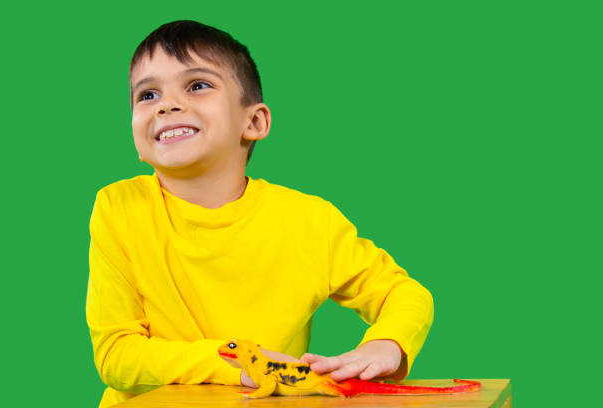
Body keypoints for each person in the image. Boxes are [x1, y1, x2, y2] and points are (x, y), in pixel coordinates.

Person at [86, 19, 434, 408]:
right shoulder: (119, 207)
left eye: (197, 85)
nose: (166, 105)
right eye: (147, 95)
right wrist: (240, 362)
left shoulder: (309, 221)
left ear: (254, 122)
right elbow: (116, 356)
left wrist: (387, 343)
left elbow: (404, 294)